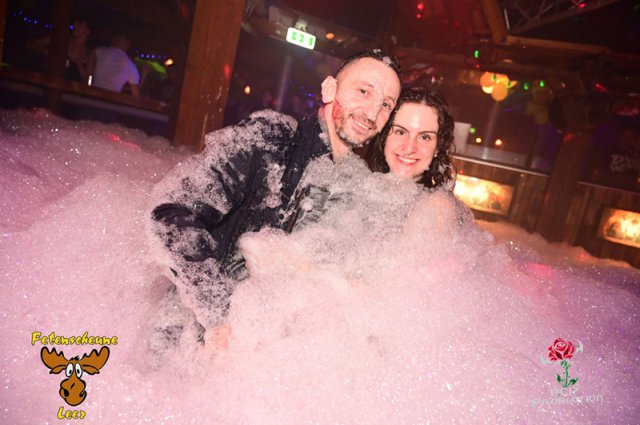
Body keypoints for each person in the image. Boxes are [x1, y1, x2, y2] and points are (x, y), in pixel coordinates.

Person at [149, 50, 401, 337]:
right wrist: (219, 315)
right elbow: (170, 214)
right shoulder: (269, 139)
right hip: (193, 336)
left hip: (265, 345)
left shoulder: (351, 186)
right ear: (330, 89)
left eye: (386, 104)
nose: (372, 113)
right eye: (364, 91)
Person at [366, 87, 456, 189]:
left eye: (424, 137)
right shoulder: (357, 184)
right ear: (384, 137)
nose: (409, 149)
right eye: (401, 132)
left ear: (438, 147)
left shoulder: (438, 199)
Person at [87, 33, 141, 97]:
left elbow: (89, 74)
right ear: (128, 45)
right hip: (111, 100)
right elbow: (136, 94)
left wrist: (88, 86)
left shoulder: (99, 51)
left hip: (93, 96)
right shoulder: (131, 66)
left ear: (113, 41)